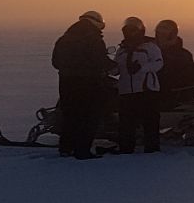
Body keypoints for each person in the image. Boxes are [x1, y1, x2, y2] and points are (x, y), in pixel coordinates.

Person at [52, 10, 115, 159]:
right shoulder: (93, 38)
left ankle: (65, 148)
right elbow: (100, 60)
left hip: (66, 83)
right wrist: (114, 66)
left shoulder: (64, 38)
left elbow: (55, 62)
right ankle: (83, 150)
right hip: (89, 83)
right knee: (89, 116)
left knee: (70, 115)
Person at [113, 16, 164, 154]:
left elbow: (159, 63)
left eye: (133, 30)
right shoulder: (121, 49)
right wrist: (110, 67)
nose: (130, 33)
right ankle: (126, 148)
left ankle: (152, 148)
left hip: (146, 89)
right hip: (126, 90)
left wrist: (142, 68)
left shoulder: (150, 46)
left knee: (150, 121)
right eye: (127, 30)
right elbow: (117, 68)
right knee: (126, 122)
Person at [155, 19, 194, 106]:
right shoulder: (151, 51)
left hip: (168, 96)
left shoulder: (182, 55)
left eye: (163, 35)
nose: (160, 38)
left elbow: (175, 79)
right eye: (158, 34)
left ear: (172, 35)